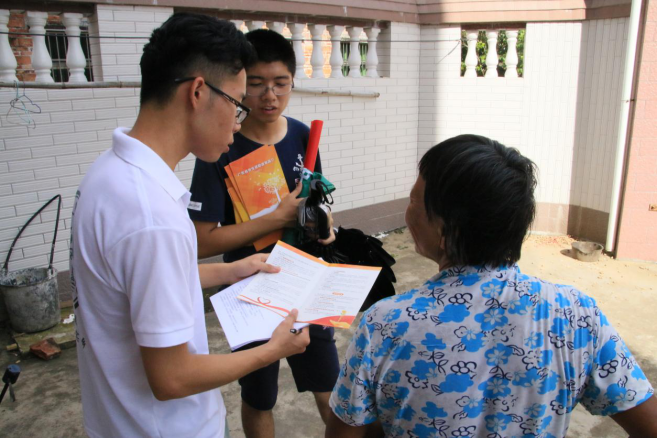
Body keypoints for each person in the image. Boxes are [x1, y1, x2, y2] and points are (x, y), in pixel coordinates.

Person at [70, 14, 310, 438]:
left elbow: (136, 285)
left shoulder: (108, 174)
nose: (239, 123)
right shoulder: (151, 216)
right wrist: (274, 349)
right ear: (198, 92)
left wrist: (229, 270)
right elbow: (173, 378)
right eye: (237, 103)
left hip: (116, 421)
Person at [326, 134, 657, 438]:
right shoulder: (576, 315)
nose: (407, 211)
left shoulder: (386, 324)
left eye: (414, 200)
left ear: (446, 228)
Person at [188, 28, 339, 438]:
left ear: (292, 82)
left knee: (330, 390)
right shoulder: (222, 145)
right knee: (259, 396)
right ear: (240, 84)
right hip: (249, 290)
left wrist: (324, 224)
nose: (269, 96)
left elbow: (316, 201)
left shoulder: (305, 136)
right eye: (256, 84)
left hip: (306, 282)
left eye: (280, 83)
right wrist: (275, 218)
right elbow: (200, 241)